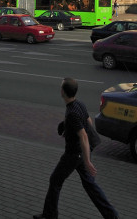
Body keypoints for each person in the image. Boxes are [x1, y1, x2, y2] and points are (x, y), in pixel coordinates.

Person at [33, 78, 118, 219]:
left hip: (74, 154)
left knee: (55, 180)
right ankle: (112, 216)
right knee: (90, 185)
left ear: (63, 92)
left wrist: (87, 161)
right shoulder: (79, 103)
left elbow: (84, 135)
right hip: (82, 152)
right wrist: (69, 131)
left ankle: (50, 215)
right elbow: (88, 121)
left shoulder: (72, 112)